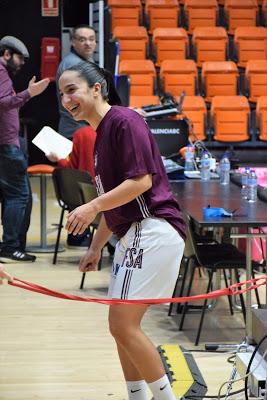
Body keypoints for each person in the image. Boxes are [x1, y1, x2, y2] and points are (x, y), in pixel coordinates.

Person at [58, 61, 186, 400]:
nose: (65, 99)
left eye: (72, 90)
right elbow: (111, 201)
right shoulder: (102, 135)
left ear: (96, 88)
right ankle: (138, 396)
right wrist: (96, 248)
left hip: (152, 229)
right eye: (61, 94)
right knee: (122, 329)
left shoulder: (124, 120)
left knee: (122, 325)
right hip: (135, 234)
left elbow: (141, 182)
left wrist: (92, 206)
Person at [0, 36, 50, 263]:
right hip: (6, 146)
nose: (22, 63)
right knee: (19, 196)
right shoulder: (1, 71)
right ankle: (11, 246)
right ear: (7, 54)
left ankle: (11, 244)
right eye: (20, 58)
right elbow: (2, 103)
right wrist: (30, 93)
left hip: (9, 144)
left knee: (15, 196)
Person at [56, 24, 96, 139]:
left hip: (79, 130)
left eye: (91, 39)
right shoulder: (74, 65)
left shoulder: (87, 61)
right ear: (73, 42)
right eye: (82, 39)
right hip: (76, 132)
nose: (88, 43)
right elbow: (87, 102)